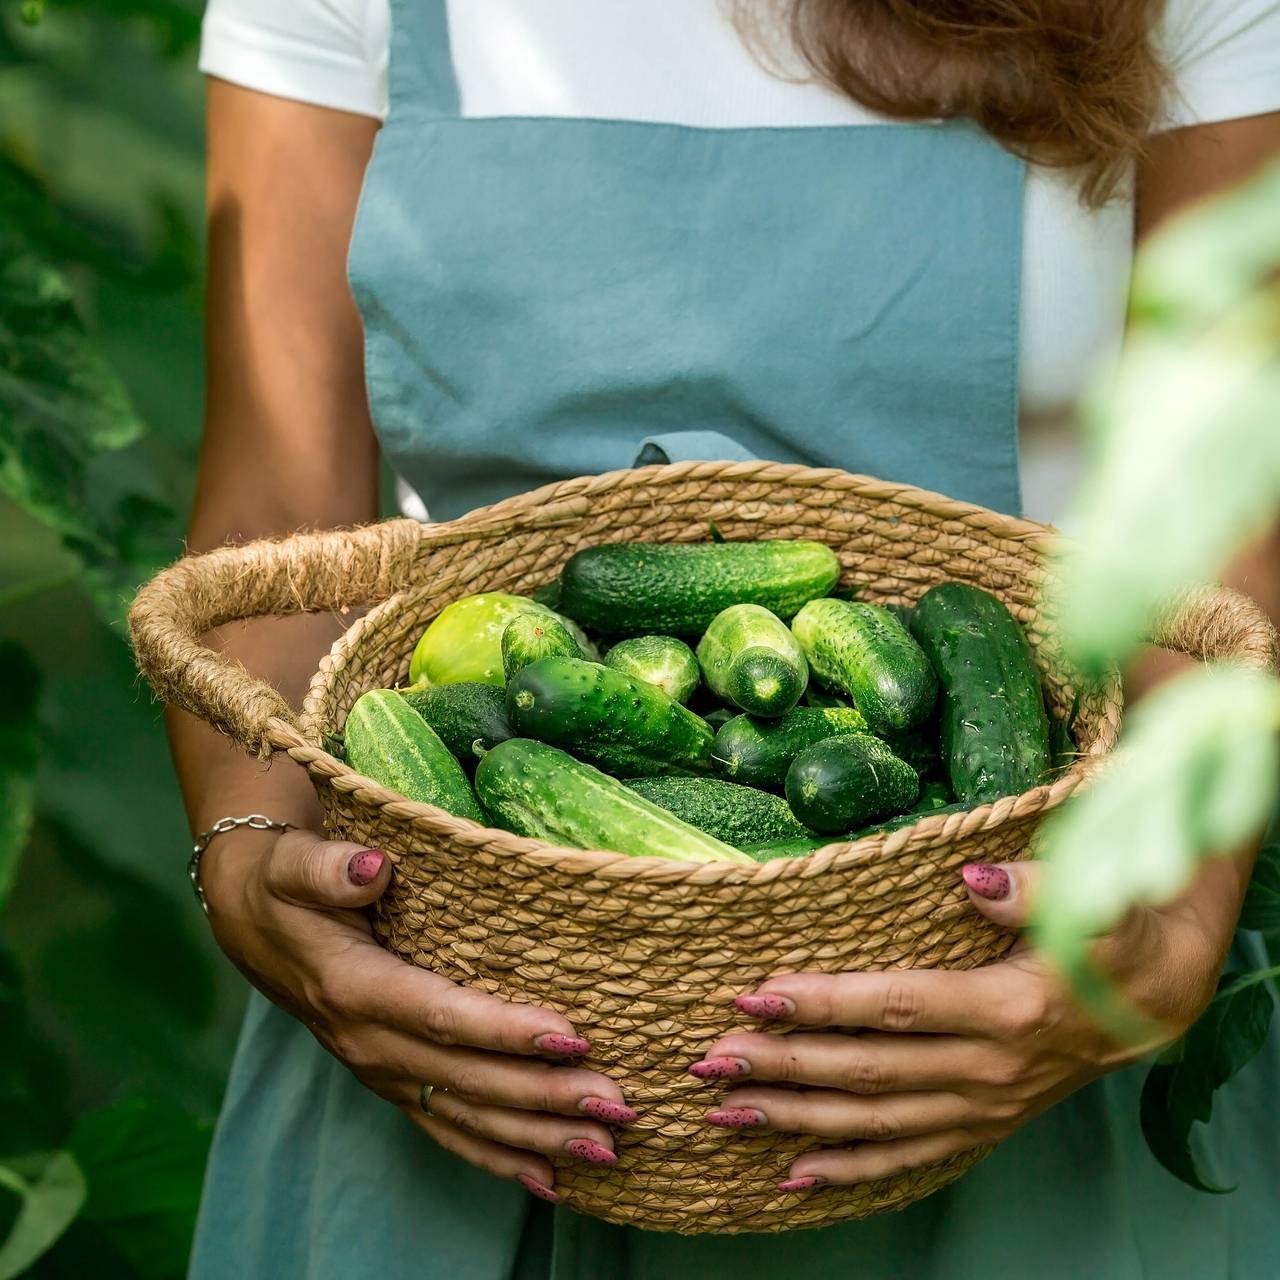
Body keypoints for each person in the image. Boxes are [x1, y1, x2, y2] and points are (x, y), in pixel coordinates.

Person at [174, 2, 1280, 1276]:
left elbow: (1221, 512)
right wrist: (250, 853)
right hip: (453, 1005)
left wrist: (1176, 921)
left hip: (1017, 1000)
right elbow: (275, 510)